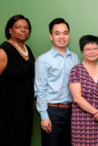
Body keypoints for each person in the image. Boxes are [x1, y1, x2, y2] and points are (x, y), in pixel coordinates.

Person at [0, 14, 35, 146]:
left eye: (26, 27)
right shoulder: (4, 50)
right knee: (11, 139)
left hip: (25, 105)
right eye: (18, 27)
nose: (23, 30)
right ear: (10, 30)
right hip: (9, 105)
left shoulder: (26, 49)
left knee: (23, 137)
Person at [34, 18, 80, 146]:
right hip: (52, 111)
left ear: (69, 35)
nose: (62, 37)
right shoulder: (43, 60)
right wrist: (44, 116)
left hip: (72, 111)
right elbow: (40, 89)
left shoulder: (75, 58)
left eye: (65, 33)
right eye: (57, 33)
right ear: (51, 36)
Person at [69, 35, 98, 145]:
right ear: (82, 52)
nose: (92, 52)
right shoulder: (76, 70)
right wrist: (97, 113)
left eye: (95, 48)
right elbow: (77, 98)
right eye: (88, 49)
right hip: (82, 121)